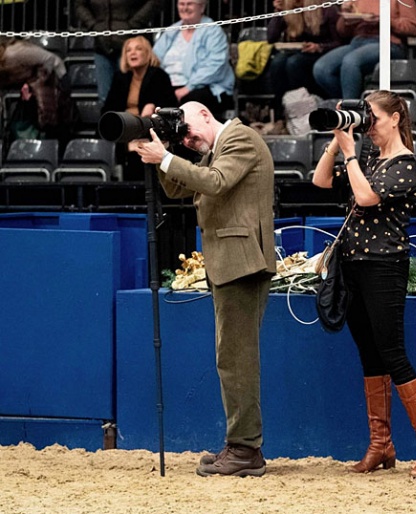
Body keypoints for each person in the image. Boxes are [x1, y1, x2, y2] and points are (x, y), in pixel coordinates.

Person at [133, 101, 276, 478]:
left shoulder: (240, 139)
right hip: (230, 262)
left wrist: (166, 157)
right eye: (184, 137)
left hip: (242, 262)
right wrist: (168, 150)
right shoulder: (215, 149)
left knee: (237, 360)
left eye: (190, 130)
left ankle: (246, 449)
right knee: (230, 357)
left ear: (206, 116)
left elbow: (215, 182)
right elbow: (180, 188)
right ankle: (241, 444)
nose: (190, 139)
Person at [312, 90, 416, 477]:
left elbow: (367, 198)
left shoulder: (409, 164)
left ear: (395, 119)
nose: (367, 124)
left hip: (385, 266)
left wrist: (351, 152)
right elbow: (320, 181)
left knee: (392, 352)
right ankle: (381, 444)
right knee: (369, 354)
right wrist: (337, 140)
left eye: (371, 117)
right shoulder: (367, 158)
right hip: (352, 264)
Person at [103, 36, 178, 181]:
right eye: (128, 50)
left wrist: (154, 107)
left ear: (147, 53)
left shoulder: (159, 76)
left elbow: (171, 106)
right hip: (127, 128)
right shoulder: (121, 77)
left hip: (150, 128)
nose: (133, 53)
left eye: (138, 49)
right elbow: (108, 108)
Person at [312, 0, 416, 100]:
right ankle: (348, 102)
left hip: (388, 42)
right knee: (321, 68)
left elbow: (413, 28)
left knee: (351, 61)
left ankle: (351, 112)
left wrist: (385, 20)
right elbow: (341, 32)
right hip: (358, 42)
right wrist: (346, 15)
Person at [154, 0, 235, 120]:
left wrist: (188, 88)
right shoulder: (172, 30)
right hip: (171, 86)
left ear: (202, 7)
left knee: (191, 102)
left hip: (204, 86)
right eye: (181, 4)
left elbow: (215, 65)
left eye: (189, 4)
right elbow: (154, 58)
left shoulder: (213, 31)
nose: (185, 8)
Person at [74, 0, 162, 105]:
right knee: (105, 99)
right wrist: (93, 25)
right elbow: (79, 5)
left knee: (134, 98)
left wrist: (133, 24)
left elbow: (155, 2)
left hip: (131, 43)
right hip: (102, 45)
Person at [267, 0, 342, 115]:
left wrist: (319, 47)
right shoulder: (289, 10)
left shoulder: (327, 9)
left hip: (323, 52)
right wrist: (278, 12)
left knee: (294, 64)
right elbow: (271, 37)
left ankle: (303, 110)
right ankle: (280, 113)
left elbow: (339, 42)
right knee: (277, 63)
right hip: (298, 51)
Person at [0, 36, 75, 141]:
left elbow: (52, 60)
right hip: (31, 90)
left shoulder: (15, 53)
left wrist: (42, 80)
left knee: (50, 125)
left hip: (51, 85)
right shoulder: (4, 63)